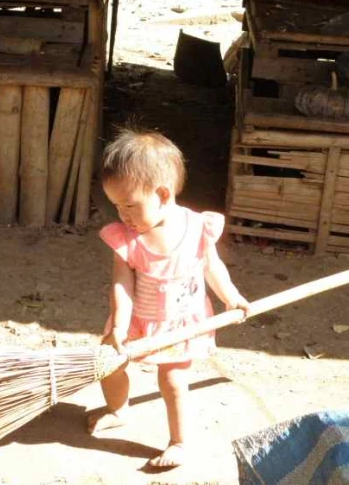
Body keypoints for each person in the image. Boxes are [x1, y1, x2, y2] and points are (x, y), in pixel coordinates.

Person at [87, 127, 250, 469]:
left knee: (172, 380)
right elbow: (122, 285)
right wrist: (117, 327)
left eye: (130, 205)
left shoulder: (197, 228)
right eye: (117, 206)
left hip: (180, 324)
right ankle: (118, 409)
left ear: (162, 194)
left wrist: (231, 298)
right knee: (109, 363)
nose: (123, 216)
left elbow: (212, 268)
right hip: (136, 320)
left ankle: (179, 442)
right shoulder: (127, 239)